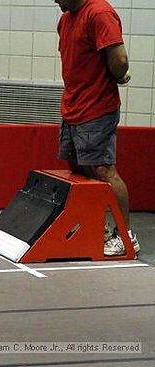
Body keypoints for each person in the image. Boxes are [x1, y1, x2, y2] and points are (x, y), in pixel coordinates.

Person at [54, 0, 139, 256]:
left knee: (103, 170)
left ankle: (125, 236)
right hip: (72, 107)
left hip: (97, 108)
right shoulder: (66, 19)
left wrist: (118, 74)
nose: (54, 0)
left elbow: (120, 60)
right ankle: (94, 228)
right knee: (78, 169)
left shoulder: (99, 12)